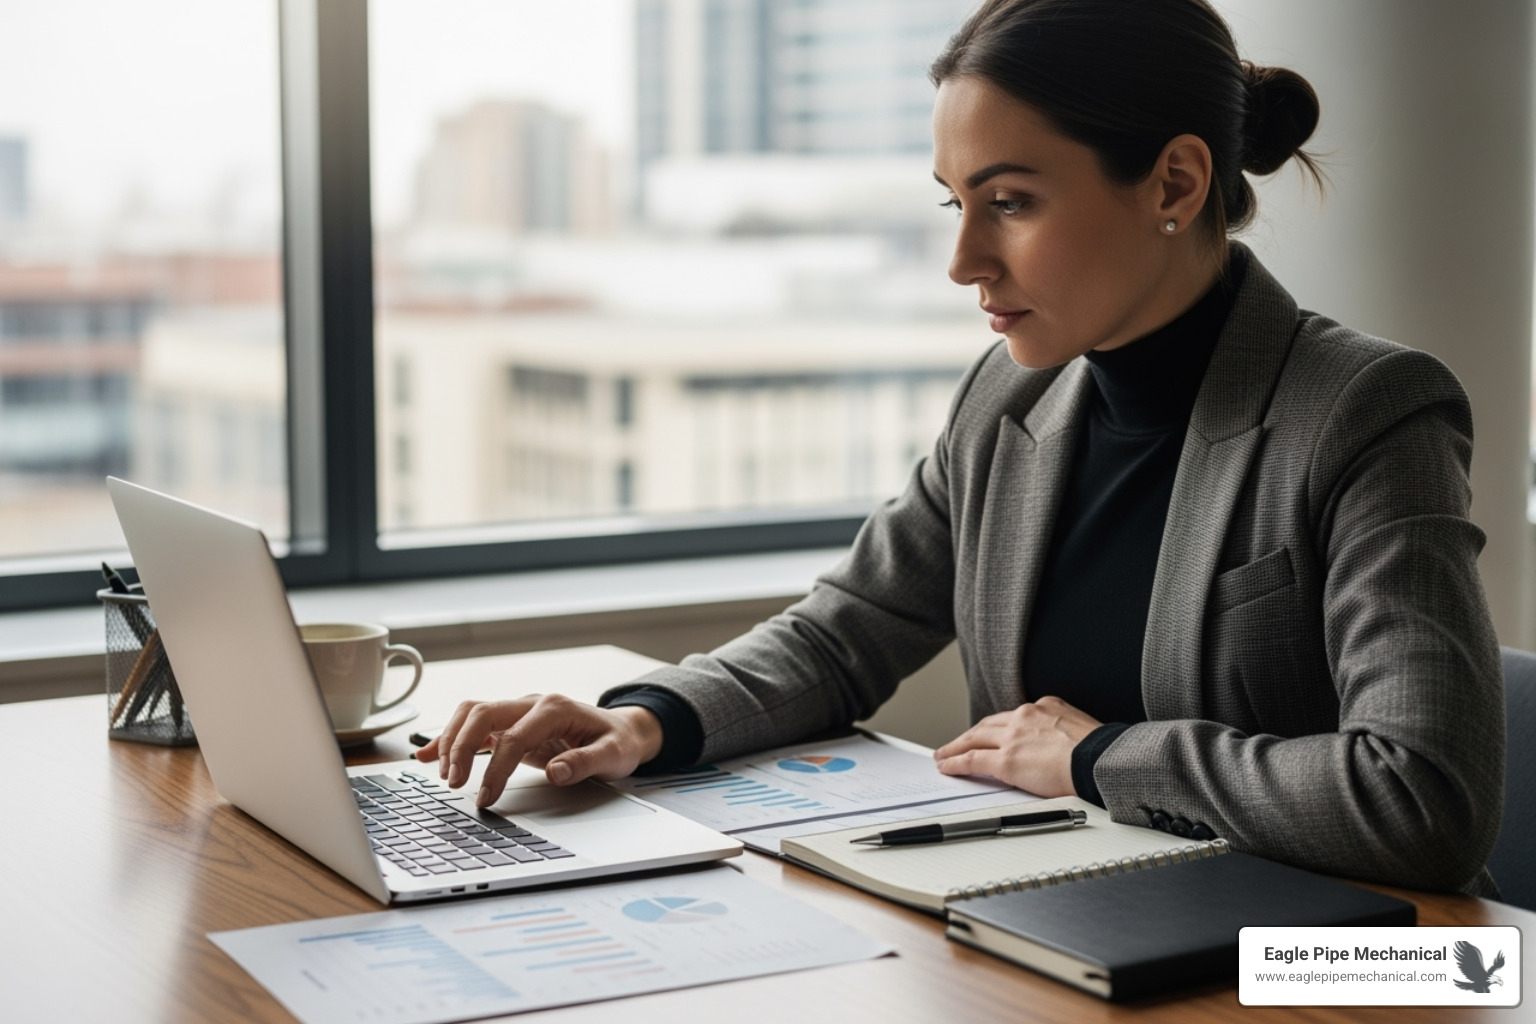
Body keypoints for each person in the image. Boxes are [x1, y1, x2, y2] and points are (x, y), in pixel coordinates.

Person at [417, 0, 1504, 896]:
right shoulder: (1010, 398)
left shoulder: (1365, 411)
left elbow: (1423, 802)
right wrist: (645, 721)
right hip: (1065, 923)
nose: (964, 260)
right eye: (956, 204)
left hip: (1314, 969)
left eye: (1012, 202)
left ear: (1175, 183)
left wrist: (1091, 758)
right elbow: (847, 634)